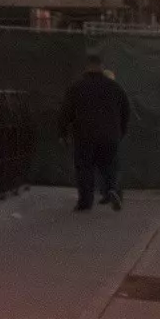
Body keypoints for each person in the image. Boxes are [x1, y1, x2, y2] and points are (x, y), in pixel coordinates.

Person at [60, 53, 131, 211]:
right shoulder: (115, 87)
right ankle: (112, 189)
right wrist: (121, 131)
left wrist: (63, 133)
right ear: (102, 66)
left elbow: (66, 112)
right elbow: (126, 110)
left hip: (84, 135)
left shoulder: (77, 87)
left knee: (85, 168)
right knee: (109, 165)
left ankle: (85, 202)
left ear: (87, 67)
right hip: (110, 134)